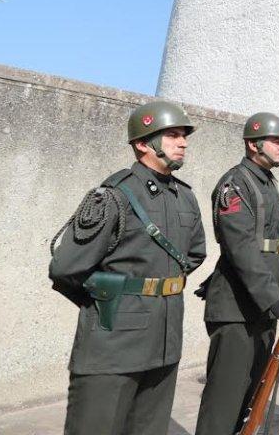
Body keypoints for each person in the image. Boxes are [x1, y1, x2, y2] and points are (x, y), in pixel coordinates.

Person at [49, 101, 207, 435]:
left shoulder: (185, 197)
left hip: (164, 343)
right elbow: (65, 268)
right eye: (173, 135)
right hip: (113, 346)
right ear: (142, 143)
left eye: (185, 136)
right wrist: (112, 296)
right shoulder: (113, 195)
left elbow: (194, 255)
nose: (183, 143)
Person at [194, 112, 279, 435]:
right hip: (237, 311)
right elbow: (241, 251)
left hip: (259, 311)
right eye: (276, 140)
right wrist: (276, 300)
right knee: (223, 405)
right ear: (254, 144)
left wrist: (273, 303)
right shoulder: (236, 184)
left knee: (249, 402)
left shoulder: (265, 182)